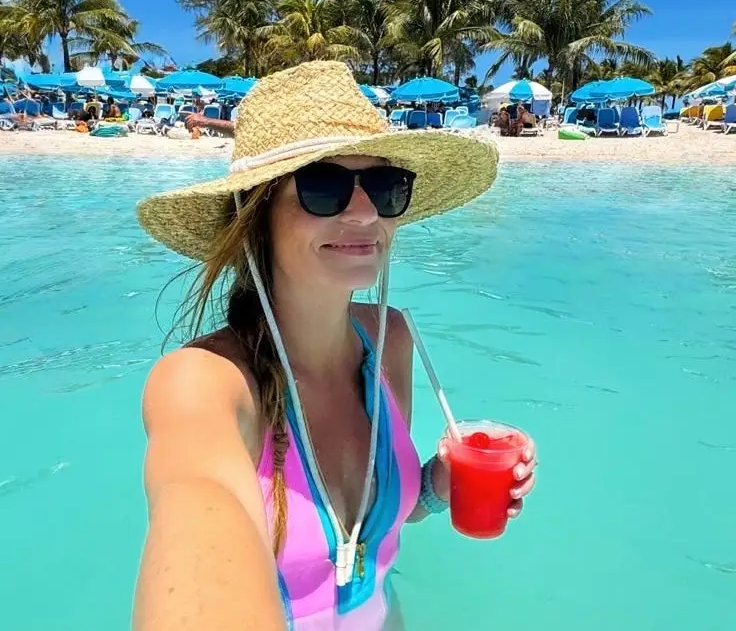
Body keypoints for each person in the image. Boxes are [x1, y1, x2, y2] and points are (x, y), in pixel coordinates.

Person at [133, 61, 537, 631]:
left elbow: (362, 537)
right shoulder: (204, 383)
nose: (366, 212)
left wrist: (436, 486)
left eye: (384, 185)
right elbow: (194, 509)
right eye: (323, 186)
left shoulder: (390, 338)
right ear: (256, 213)